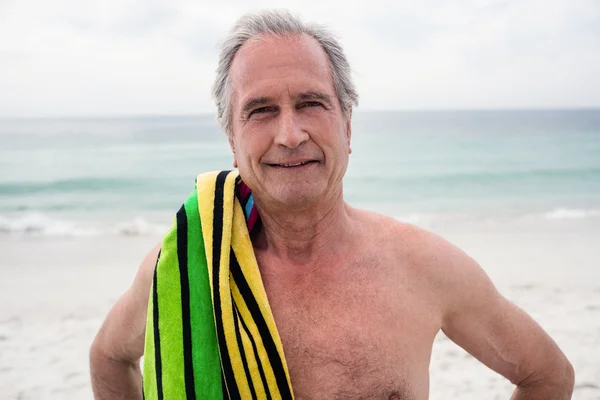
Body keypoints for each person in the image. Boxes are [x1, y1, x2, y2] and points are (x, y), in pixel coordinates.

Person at [89, 9, 574, 400]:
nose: (290, 134)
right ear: (233, 142)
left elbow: (547, 376)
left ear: (346, 125)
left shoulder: (423, 266)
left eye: (311, 103)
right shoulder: (186, 265)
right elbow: (109, 359)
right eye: (260, 111)